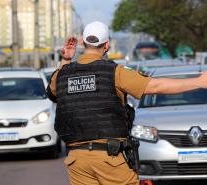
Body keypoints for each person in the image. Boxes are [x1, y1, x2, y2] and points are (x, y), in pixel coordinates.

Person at [46, 21, 207, 185]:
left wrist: (66, 59)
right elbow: (156, 86)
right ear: (107, 45)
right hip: (110, 158)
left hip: (77, 160)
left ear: (83, 43)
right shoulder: (115, 72)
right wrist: (199, 82)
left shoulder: (62, 74)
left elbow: (53, 92)